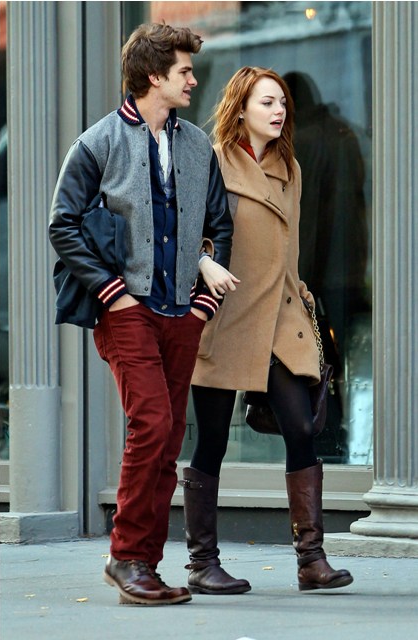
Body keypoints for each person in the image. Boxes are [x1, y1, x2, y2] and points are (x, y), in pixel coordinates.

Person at [49, 23, 239, 606]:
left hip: (183, 311)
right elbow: (63, 225)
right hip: (125, 310)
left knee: (169, 434)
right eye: (184, 70)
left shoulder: (197, 146)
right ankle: (127, 557)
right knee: (152, 424)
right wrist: (113, 293)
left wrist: (203, 304)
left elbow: (219, 225)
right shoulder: (97, 143)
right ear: (154, 77)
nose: (193, 80)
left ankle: (143, 566)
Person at [182, 66, 354, 594]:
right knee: (212, 442)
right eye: (266, 102)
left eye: (282, 103)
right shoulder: (209, 161)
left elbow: (291, 250)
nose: (279, 111)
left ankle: (311, 560)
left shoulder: (289, 167)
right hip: (224, 314)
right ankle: (202, 563)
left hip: (280, 316)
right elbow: (185, 233)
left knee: (301, 426)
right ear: (240, 109)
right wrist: (203, 265)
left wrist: (302, 303)